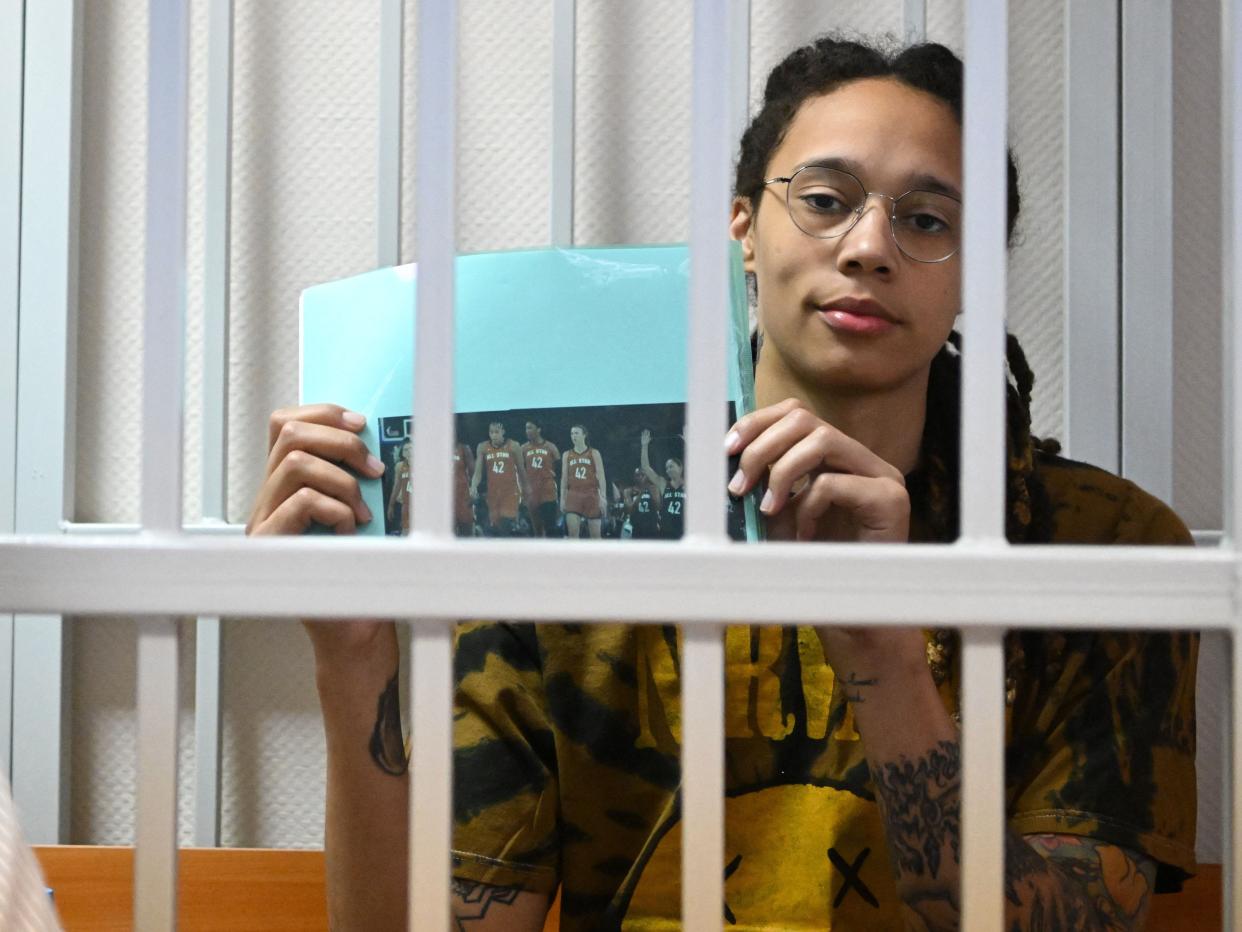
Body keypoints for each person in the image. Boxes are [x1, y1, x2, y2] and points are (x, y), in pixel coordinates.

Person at [247, 35, 1198, 931]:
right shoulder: (575, 534)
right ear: (743, 229)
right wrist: (352, 660)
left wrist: (887, 653)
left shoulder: (1099, 549)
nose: (870, 248)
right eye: (825, 199)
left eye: (926, 219)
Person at [469, 421, 530, 537]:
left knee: (505, 524)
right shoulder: (483, 447)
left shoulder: (513, 446)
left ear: (503, 432)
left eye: (497, 432)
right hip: (493, 495)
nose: (494, 435)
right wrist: (473, 487)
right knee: (497, 527)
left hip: (510, 493)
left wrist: (526, 491)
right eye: (491, 432)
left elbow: (521, 471)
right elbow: (478, 473)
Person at [560, 424, 608, 540]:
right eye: (571, 433)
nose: (573, 436)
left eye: (576, 433)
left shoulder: (594, 453)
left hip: (591, 494)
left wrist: (603, 498)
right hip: (573, 495)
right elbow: (564, 479)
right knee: (572, 534)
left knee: (596, 536)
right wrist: (562, 498)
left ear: (584, 435)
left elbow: (601, 477)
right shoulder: (567, 454)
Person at [639, 428, 686, 540]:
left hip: (685, 533)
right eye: (666, 468)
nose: (668, 469)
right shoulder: (663, 483)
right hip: (666, 533)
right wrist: (644, 445)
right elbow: (645, 467)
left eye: (671, 466)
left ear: (680, 467)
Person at [521, 419, 562, 537]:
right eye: (526, 428)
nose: (527, 431)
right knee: (537, 529)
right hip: (532, 493)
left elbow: (560, 469)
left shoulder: (550, 447)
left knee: (550, 527)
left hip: (547, 491)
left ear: (538, 429)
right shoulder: (523, 448)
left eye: (530, 427)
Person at [384, 440, 413, 534]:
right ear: (403, 453)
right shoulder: (399, 466)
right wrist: (391, 505)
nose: (409, 452)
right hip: (405, 504)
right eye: (406, 450)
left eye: (411, 449)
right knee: (406, 531)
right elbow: (396, 486)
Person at [452, 440, 476, 536]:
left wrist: (473, 490)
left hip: (462, 497)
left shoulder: (464, 448)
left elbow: (473, 472)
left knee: (467, 533)